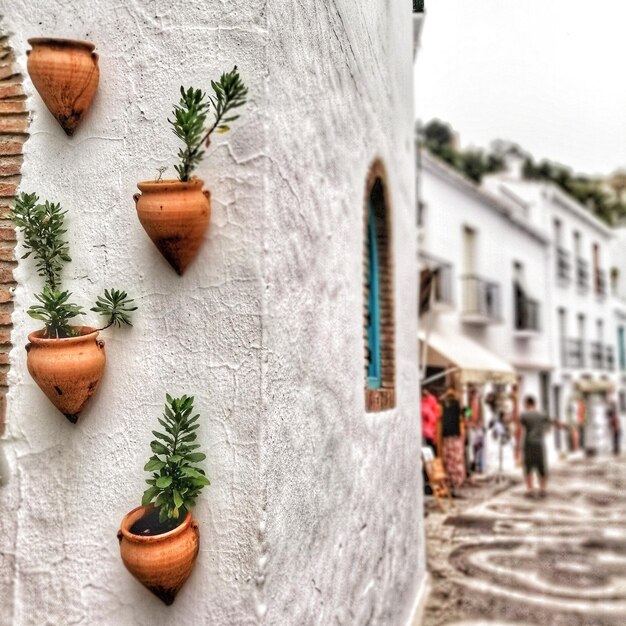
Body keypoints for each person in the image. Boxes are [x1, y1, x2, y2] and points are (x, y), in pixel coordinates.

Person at [516, 395, 550, 498]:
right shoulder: (542, 414)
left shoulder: (524, 415)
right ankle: (542, 489)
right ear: (534, 403)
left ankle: (529, 489)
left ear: (527, 403)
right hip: (539, 443)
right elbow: (547, 427)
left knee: (528, 466)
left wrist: (517, 445)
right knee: (541, 466)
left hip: (528, 443)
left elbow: (518, 428)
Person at [440, 387, 465, 489]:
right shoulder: (447, 404)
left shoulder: (444, 404)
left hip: (448, 435)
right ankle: (455, 480)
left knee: (450, 459)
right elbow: (468, 413)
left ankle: (451, 480)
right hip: (453, 435)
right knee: (454, 459)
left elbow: (468, 412)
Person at [421, 388, 440, 494]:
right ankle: (426, 483)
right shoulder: (418, 400)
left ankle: (431, 484)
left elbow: (434, 418)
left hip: (429, 435)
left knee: (429, 460)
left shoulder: (432, 400)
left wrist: (427, 412)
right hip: (420, 434)